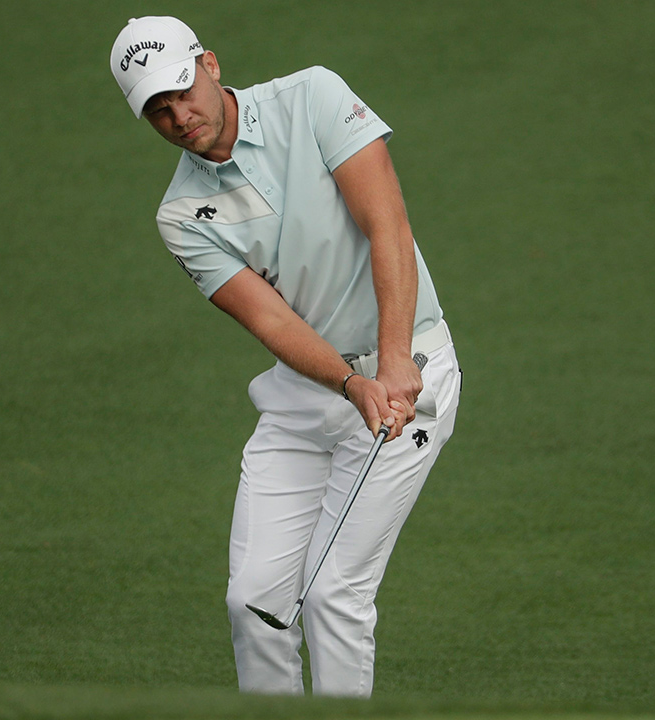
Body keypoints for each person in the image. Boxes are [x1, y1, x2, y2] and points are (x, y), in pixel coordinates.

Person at [109, 16, 461, 697]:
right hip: (309, 397)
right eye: (157, 110)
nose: (179, 116)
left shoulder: (314, 98)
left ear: (209, 64)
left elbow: (385, 222)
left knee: (334, 596)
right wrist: (349, 383)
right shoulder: (181, 215)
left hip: (405, 379)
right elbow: (271, 320)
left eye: (183, 90)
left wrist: (390, 363)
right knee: (254, 604)